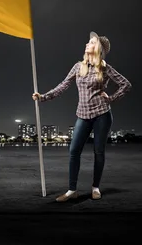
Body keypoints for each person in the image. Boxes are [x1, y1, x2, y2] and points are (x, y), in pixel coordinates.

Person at [32, 32, 131, 202]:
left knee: (98, 152)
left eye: (91, 42)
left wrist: (112, 98)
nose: (87, 44)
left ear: (98, 48)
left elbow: (126, 84)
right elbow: (63, 85)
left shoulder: (105, 68)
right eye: (88, 41)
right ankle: (72, 190)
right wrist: (43, 97)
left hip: (102, 114)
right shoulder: (79, 67)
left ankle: (95, 188)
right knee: (74, 150)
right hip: (83, 115)